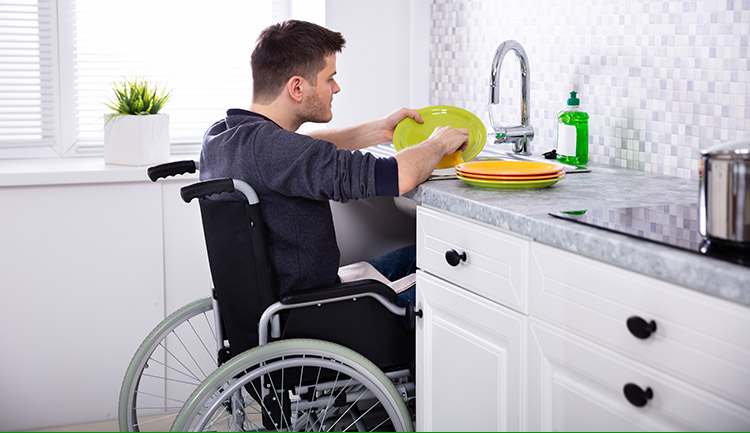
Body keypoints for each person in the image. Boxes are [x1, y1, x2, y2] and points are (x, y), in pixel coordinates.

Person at [199, 19, 468, 307]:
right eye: (329, 78)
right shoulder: (279, 151)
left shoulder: (222, 136)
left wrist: (377, 131)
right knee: (460, 275)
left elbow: (301, 149)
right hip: (317, 312)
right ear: (297, 88)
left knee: (422, 253)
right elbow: (399, 175)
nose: (336, 88)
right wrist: (438, 142)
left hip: (276, 305)